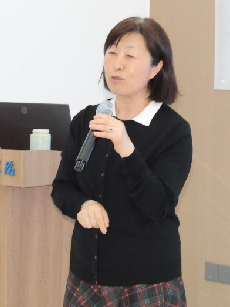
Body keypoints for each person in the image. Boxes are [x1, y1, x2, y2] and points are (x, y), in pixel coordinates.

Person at [51, 17, 192, 307]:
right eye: (112, 53)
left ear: (156, 67)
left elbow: (159, 205)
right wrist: (83, 205)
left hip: (146, 279)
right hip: (86, 277)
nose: (117, 65)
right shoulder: (87, 120)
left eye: (130, 56)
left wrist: (127, 148)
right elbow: (62, 187)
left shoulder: (173, 130)